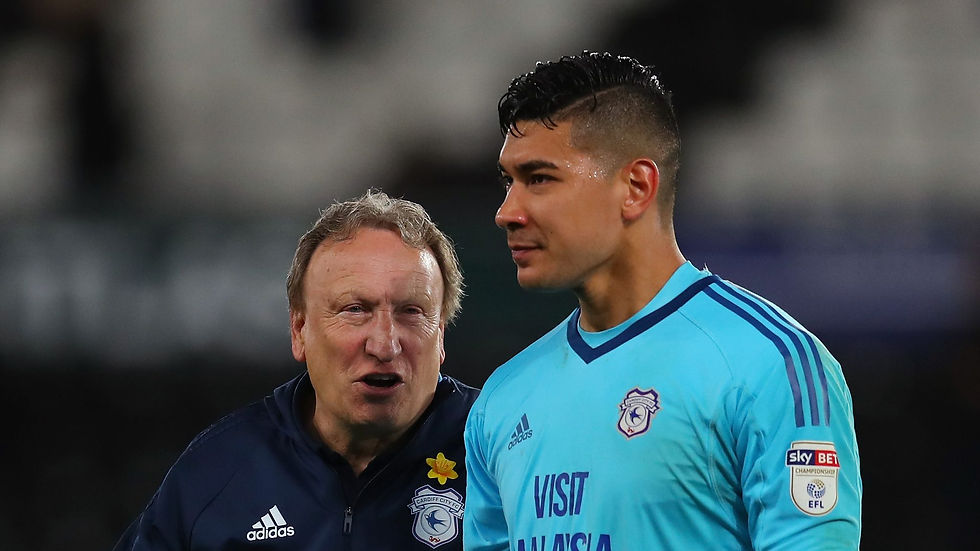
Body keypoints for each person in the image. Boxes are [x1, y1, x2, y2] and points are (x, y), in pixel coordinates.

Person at [463, 52, 861, 550]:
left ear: (635, 187)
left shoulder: (771, 364)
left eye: (539, 178)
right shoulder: (501, 400)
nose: (506, 212)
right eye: (508, 182)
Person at [115, 190, 479, 550]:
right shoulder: (218, 469)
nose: (384, 345)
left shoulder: (500, 450)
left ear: (441, 334)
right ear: (299, 330)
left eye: (412, 312)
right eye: (355, 310)